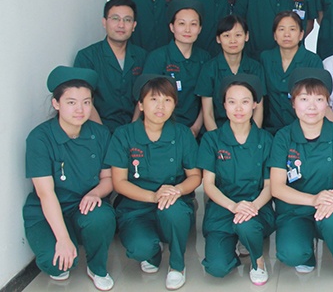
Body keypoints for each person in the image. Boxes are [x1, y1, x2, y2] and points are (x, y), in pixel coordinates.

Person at [269, 68, 333, 292]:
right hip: (294, 209)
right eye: (304, 99)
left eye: (319, 99)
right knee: (291, 254)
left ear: (328, 103)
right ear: (293, 103)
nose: (312, 106)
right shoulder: (283, 137)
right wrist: (313, 200)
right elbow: (277, 187)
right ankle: (306, 254)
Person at [23, 66, 116, 291]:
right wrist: (62, 239)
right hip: (47, 209)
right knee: (57, 265)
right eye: (71, 102)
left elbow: (109, 178)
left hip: (83, 205)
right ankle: (69, 238)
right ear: (56, 104)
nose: (80, 110)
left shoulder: (100, 134)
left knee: (102, 216)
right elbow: (45, 193)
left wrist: (95, 193)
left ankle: (97, 267)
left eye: (86, 102)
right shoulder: (40, 138)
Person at [105, 75, 201, 290]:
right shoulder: (124, 135)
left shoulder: (182, 134)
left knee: (173, 211)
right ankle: (153, 250)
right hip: (136, 207)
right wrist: (153, 196)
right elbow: (119, 182)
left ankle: (177, 265)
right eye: (154, 99)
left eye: (167, 100)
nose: (161, 106)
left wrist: (176, 190)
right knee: (140, 249)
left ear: (174, 104)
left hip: (173, 201)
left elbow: (195, 176)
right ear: (140, 104)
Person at [197, 74, 275, 285]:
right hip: (223, 207)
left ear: (255, 104)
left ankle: (258, 260)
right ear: (223, 105)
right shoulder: (212, 140)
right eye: (232, 102)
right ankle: (239, 240)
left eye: (245, 102)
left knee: (247, 225)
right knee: (217, 267)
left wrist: (252, 207)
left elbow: (270, 185)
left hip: (256, 207)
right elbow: (208, 185)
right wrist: (233, 206)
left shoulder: (266, 140)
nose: (238, 108)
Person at [74, 0, 146, 133]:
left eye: (127, 20)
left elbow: (145, 96)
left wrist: (133, 130)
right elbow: (83, 99)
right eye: (115, 19)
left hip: (135, 129)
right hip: (97, 130)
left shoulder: (143, 56)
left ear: (134, 25)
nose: (121, 25)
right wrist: (102, 132)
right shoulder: (87, 56)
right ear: (104, 22)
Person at [143, 0, 210, 138]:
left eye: (193, 24)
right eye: (181, 23)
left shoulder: (205, 58)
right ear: (172, 27)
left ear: (200, 29)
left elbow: (207, 99)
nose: (187, 30)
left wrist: (196, 128)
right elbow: (148, 99)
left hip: (196, 131)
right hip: (162, 130)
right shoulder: (157, 57)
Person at [196, 15, 266, 131]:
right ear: (218, 39)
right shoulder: (209, 68)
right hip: (218, 131)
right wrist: (217, 138)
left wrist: (253, 137)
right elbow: (208, 112)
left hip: (249, 132)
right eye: (226, 36)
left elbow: (258, 108)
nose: (233, 41)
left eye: (238, 35)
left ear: (246, 36)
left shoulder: (255, 68)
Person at [260, 11, 323, 134]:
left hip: (304, 131)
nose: (287, 34)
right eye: (281, 29)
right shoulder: (265, 58)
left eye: (292, 29)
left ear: (301, 35)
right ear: (275, 35)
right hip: (271, 130)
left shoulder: (312, 61)